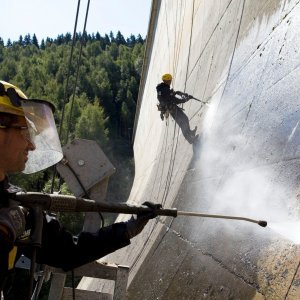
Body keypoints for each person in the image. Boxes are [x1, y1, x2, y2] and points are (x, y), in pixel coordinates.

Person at [0, 80, 160, 299]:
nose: (32, 145)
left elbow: (69, 252)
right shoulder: (16, 209)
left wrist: (127, 229)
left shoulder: (20, 207)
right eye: (25, 133)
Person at [156, 73, 197, 144]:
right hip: (173, 110)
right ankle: (190, 139)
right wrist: (185, 100)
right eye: (170, 80)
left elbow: (167, 98)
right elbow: (174, 100)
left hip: (172, 108)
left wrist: (182, 94)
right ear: (166, 81)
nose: (170, 82)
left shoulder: (161, 89)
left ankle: (190, 133)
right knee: (183, 123)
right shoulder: (165, 90)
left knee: (185, 120)